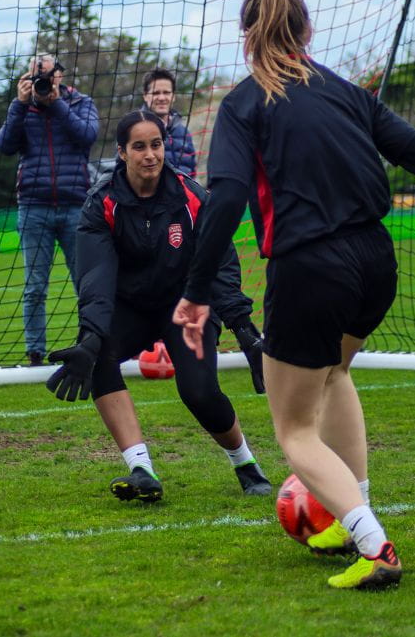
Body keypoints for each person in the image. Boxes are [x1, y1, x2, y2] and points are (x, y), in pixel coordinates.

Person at [171, 0, 415, 590]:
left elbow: (228, 195)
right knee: (336, 374)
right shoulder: (347, 93)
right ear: (307, 33)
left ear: (247, 37)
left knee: (292, 429)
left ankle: (375, 546)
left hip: (311, 268)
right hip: (376, 260)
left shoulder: (243, 104)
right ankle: (349, 514)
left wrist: (197, 288)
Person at [45, 109, 272, 501]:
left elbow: (219, 264)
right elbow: (96, 278)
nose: (150, 154)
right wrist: (91, 336)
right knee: (97, 355)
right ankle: (141, 470)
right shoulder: (100, 204)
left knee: (199, 392)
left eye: (156, 144)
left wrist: (245, 331)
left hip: (187, 305)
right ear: (122, 153)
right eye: (139, 147)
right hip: (129, 307)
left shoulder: (192, 197)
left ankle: (245, 463)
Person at [0, 53, 99, 366]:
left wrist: (56, 104)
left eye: (47, 74)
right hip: (34, 207)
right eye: (35, 74)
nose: (42, 80)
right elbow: (5, 145)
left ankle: (92, 343)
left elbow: (88, 136)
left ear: (60, 75)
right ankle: (35, 352)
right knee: (35, 286)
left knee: (86, 281)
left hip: (75, 206)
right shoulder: (23, 108)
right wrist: (19, 104)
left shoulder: (80, 102)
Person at [140, 67, 197, 177]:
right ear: (145, 96)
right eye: (156, 93)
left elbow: (192, 170)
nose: (161, 97)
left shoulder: (184, 132)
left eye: (166, 92)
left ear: (173, 96)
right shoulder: (133, 129)